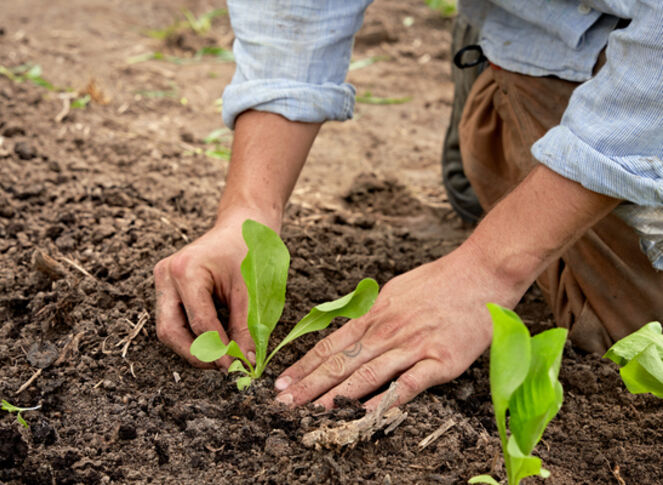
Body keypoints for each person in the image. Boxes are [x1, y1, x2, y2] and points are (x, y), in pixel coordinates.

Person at [154, 0, 663, 410]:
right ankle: (500, 72)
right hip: (537, 25)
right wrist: (248, 211)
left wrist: (488, 266)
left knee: (645, 344)